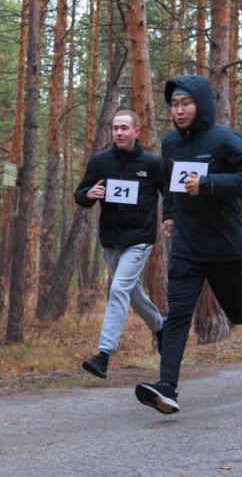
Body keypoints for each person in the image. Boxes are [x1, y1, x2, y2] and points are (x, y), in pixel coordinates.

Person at [135, 74, 242, 414]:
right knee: (178, 314)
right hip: (186, 245)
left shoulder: (224, 139)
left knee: (236, 311)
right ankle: (167, 386)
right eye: (174, 105)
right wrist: (169, 213)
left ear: (201, 104)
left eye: (186, 104)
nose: (179, 111)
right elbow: (169, 185)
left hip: (224, 244)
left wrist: (209, 183)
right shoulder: (170, 144)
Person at [75, 110, 165, 379]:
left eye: (124, 128)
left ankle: (103, 355)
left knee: (118, 289)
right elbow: (81, 194)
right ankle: (161, 328)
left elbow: (170, 193)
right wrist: (88, 194)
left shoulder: (152, 163)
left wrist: (171, 218)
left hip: (139, 239)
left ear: (137, 132)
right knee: (131, 292)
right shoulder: (101, 162)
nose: (119, 133)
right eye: (115, 128)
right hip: (111, 240)